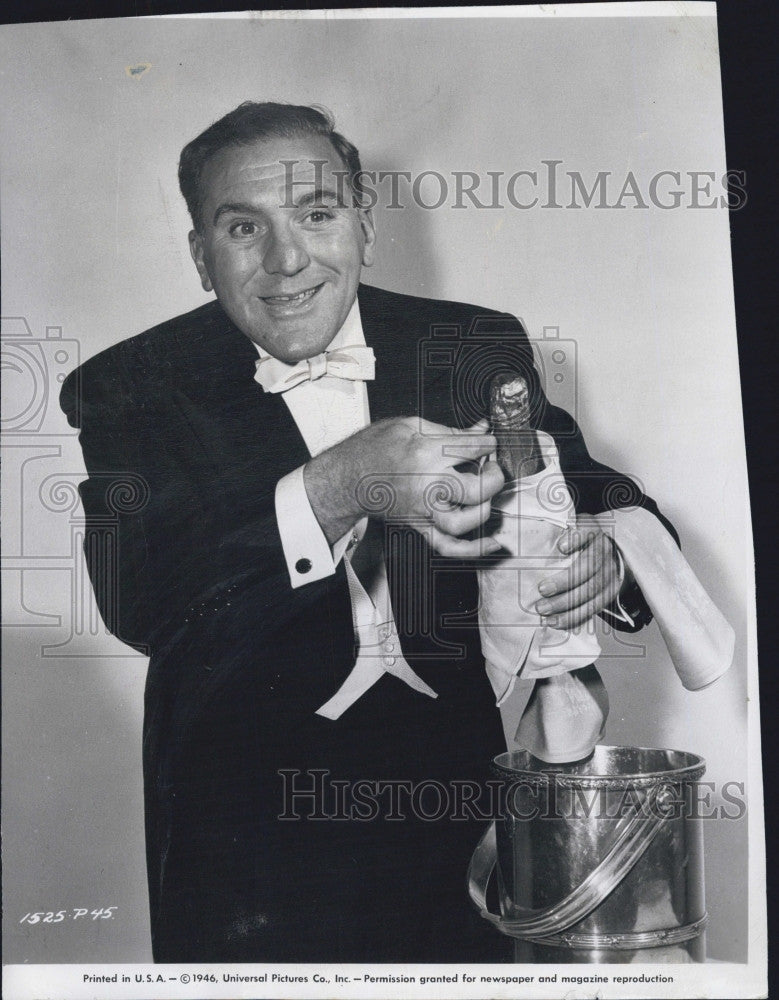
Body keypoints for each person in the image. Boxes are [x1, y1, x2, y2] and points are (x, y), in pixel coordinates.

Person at [60, 102, 676, 963]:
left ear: (364, 225)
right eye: (243, 228)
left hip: (457, 816)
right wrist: (334, 485)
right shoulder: (128, 385)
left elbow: (584, 480)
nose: (286, 260)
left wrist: (618, 551)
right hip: (242, 844)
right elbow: (141, 599)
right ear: (201, 257)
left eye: (316, 214)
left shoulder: (466, 341)